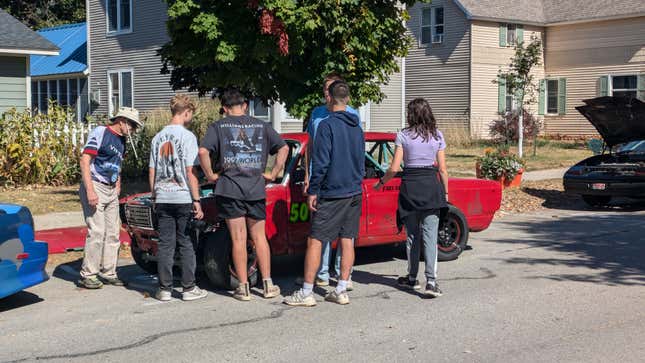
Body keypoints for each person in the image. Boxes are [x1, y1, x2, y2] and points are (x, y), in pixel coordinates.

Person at [199, 88, 289, 301]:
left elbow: (203, 151)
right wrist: (273, 173)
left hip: (230, 189)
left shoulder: (218, 126)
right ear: (245, 106)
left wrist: (211, 174)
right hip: (256, 188)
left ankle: (243, 287)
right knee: (259, 237)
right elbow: (283, 148)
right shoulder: (262, 125)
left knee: (238, 239)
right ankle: (268, 284)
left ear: (224, 108)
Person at [284, 80, 365, 306]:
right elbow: (360, 159)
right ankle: (341, 288)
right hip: (353, 189)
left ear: (329, 98)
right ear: (347, 99)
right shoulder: (357, 126)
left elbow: (321, 162)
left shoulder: (326, 126)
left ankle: (307, 291)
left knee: (316, 239)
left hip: (332, 191)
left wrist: (314, 191)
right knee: (347, 238)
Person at [374, 98, 448, 297]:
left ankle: (412, 277)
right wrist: (446, 192)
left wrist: (381, 183)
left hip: (410, 188)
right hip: (431, 187)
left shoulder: (403, 136)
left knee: (412, 236)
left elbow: (394, 168)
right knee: (430, 237)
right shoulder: (437, 135)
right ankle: (431, 282)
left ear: (411, 115)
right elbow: (442, 169)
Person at [299, 72, 360, 289]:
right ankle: (322, 274)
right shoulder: (317, 114)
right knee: (323, 233)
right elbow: (311, 147)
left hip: (335, 182)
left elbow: (355, 151)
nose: (326, 93)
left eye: (329, 89)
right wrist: (308, 175)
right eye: (324, 88)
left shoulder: (351, 116)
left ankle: (341, 277)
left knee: (338, 234)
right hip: (321, 177)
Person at [149, 95, 208, 302]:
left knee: (165, 244)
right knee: (186, 242)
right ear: (186, 112)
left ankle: (164, 288)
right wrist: (197, 199)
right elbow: (190, 170)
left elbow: (152, 170)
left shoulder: (158, 137)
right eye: (190, 114)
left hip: (163, 194)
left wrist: (154, 194)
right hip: (182, 195)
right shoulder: (188, 137)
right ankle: (188, 287)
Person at [78, 107, 142, 289]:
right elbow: (85, 159)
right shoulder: (101, 132)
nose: (133, 130)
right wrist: (90, 190)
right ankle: (88, 274)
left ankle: (108, 271)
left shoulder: (122, 141)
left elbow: (117, 163)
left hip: (110, 188)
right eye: (132, 125)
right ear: (122, 121)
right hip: (96, 184)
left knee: (113, 231)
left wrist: (118, 183)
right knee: (97, 230)